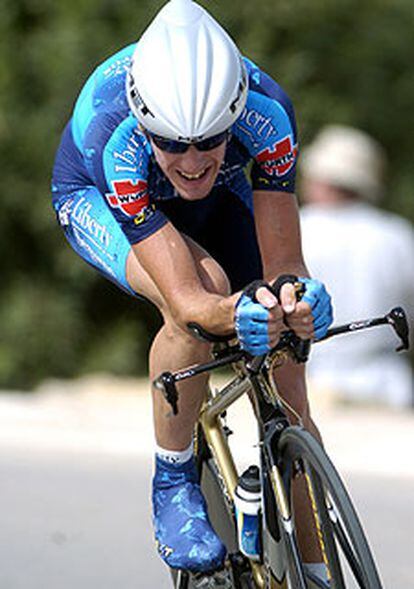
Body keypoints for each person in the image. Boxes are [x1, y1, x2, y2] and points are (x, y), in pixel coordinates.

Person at [52, 0, 333, 582]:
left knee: (291, 386)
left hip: (228, 199)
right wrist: (233, 311)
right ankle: (173, 478)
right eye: (173, 142)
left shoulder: (268, 111)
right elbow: (189, 300)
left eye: (210, 140)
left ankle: (320, 570)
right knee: (204, 296)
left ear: (235, 114)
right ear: (144, 120)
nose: (192, 159)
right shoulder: (115, 134)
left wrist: (297, 300)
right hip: (99, 198)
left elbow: (285, 264)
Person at [300, 125, 414, 408]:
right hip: (388, 385)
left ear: (320, 180)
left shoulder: (295, 231)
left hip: (312, 383)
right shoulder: (397, 235)